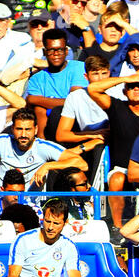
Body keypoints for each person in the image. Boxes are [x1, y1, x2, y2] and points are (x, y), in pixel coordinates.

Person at [88, 70, 139, 245]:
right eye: (131, 87)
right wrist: (127, 78)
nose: (136, 89)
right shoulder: (117, 108)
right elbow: (93, 88)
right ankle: (117, 229)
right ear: (124, 90)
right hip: (122, 168)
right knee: (117, 179)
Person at [0, 108, 88, 192]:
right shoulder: (1, 142)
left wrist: (47, 166)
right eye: (19, 129)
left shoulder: (43, 147)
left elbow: (82, 164)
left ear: (36, 129)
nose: (23, 134)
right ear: (12, 129)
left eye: (28, 129)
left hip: (30, 204)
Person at [55, 55, 110, 185]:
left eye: (104, 73)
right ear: (86, 77)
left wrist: (95, 140)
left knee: (99, 149)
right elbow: (61, 134)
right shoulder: (76, 97)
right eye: (95, 74)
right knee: (60, 154)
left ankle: (95, 196)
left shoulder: (118, 93)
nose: (100, 78)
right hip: (88, 142)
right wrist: (92, 136)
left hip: (112, 144)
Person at [26, 28, 88, 140]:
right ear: (45, 52)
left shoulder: (79, 68)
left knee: (56, 112)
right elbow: (40, 111)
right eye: (51, 50)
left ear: (66, 51)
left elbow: (74, 102)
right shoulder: (36, 79)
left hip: (76, 125)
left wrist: (34, 99)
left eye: (60, 50)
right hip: (49, 130)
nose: (56, 54)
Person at [7, 198, 81, 277]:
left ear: (65, 223)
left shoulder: (69, 246)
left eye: (56, 223)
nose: (50, 227)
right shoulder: (23, 240)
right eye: (48, 221)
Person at [0, 3, 32, 84]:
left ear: (8, 22)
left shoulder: (22, 39)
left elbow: (29, 63)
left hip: (14, 84)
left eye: (2, 20)